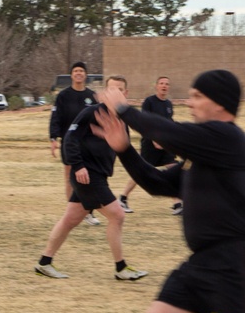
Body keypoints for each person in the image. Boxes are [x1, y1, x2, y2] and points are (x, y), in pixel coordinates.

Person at [91, 69, 245, 313]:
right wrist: (125, 152)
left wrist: (124, 109)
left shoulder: (226, 137)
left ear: (219, 102)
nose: (189, 103)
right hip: (202, 263)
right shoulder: (201, 151)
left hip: (231, 262)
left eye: (195, 96)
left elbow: (170, 133)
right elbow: (160, 183)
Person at [34, 75, 147, 281]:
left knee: (70, 219)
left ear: (126, 94)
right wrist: (77, 166)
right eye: (111, 90)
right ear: (104, 93)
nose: (115, 94)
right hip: (87, 175)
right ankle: (121, 268)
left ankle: (44, 263)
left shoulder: (122, 121)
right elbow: (70, 139)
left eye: (119, 90)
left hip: (99, 176)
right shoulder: (90, 113)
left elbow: (125, 150)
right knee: (117, 215)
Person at [118, 76, 182, 215]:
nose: (164, 86)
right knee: (141, 172)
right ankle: (122, 198)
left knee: (173, 168)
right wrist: (154, 140)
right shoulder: (149, 102)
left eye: (167, 84)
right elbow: (144, 123)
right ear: (156, 86)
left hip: (165, 144)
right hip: (150, 144)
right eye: (161, 83)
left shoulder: (168, 104)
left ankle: (177, 204)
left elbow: (168, 123)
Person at [50, 61, 101, 226]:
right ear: (71, 75)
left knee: (88, 178)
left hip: (88, 144)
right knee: (69, 178)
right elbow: (56, 118)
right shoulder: (63, 96)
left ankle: (88, 213)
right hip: (69, 143)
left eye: (81, 71)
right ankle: (71, 213)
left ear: (85, 75)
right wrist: (53, 138)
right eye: (76, 71)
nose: (78, 73)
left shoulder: (92, 96)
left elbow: (98, 119)